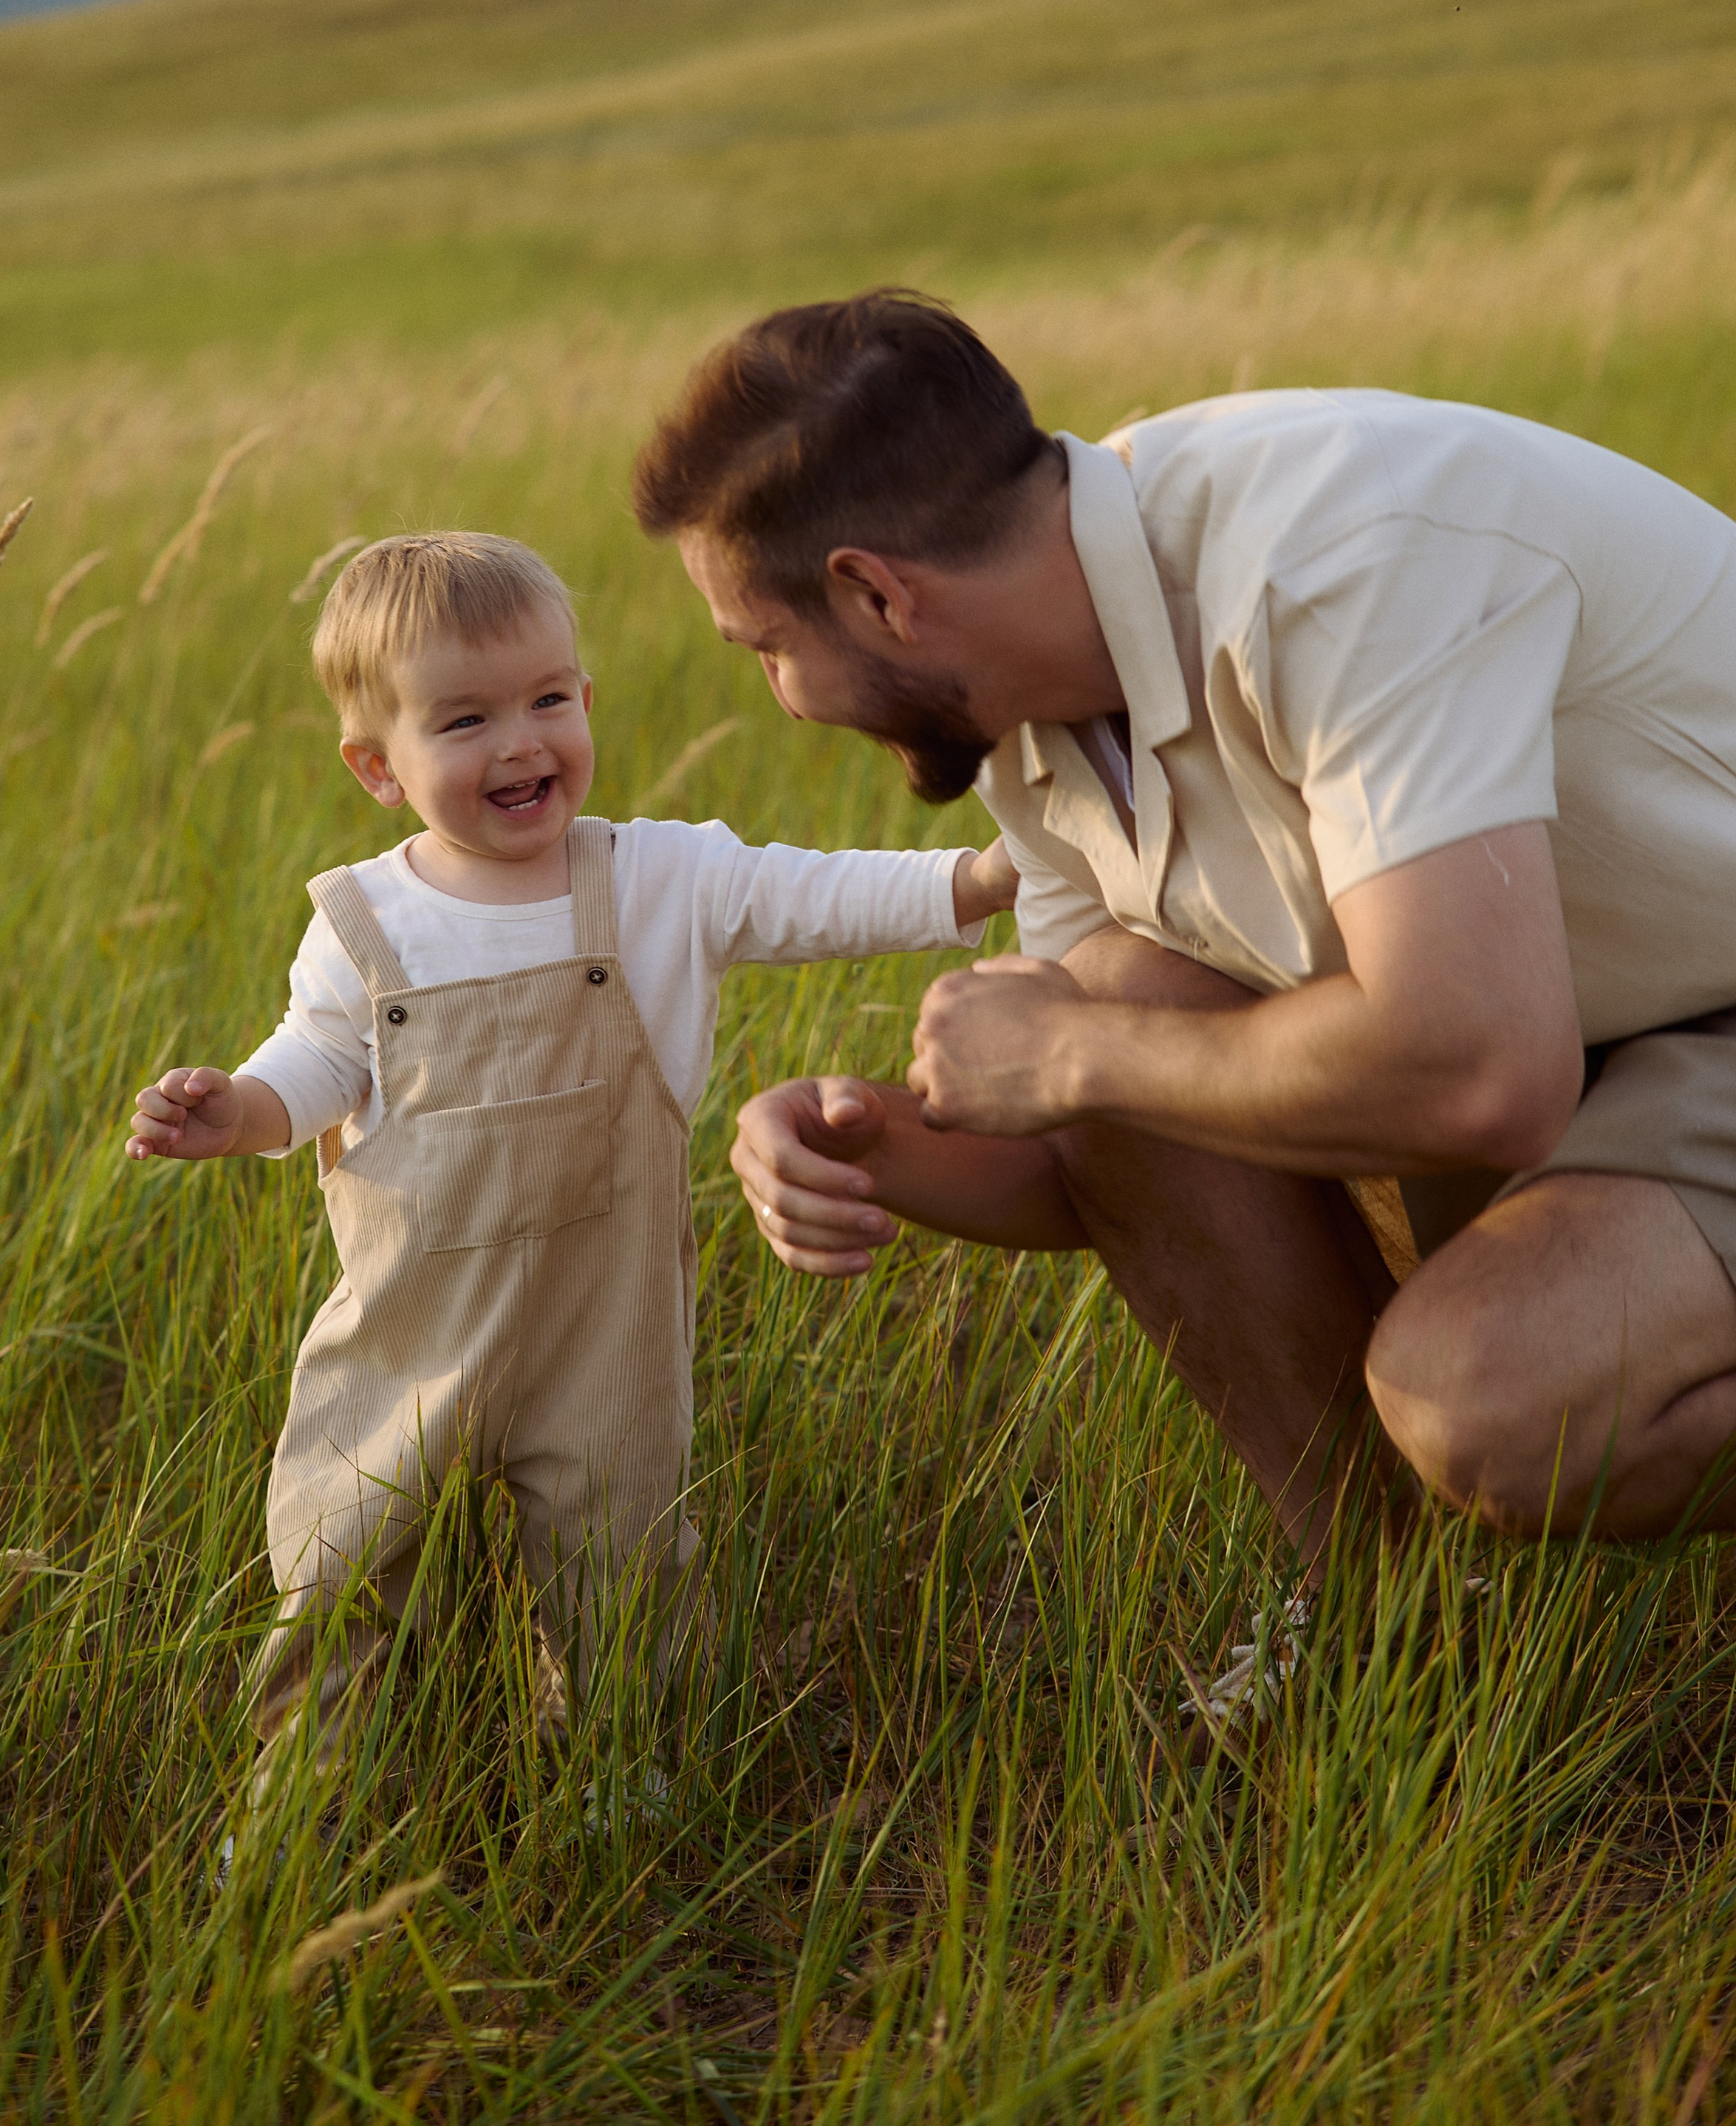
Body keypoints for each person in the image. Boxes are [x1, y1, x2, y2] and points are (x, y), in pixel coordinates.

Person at [632, 290, 1736, 1648]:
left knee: (1489, 1391)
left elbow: (1486, 1070)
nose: (781, 697)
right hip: (1615, 1022)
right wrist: (871, 1145)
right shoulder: (1030, 703)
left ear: (875, 594)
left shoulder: (1339, 554)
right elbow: (1121, 1136)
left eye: (768, 649)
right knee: (1127, 1000)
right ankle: (1399, 1635)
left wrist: (1075, 1054)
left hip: (1676, 1018)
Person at [123, 529, 1015, 1797]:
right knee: (347, 1550)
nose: (521, 742)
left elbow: (815, 895)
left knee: (625, 1554)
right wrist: (245, 1110)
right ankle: (306, 1807)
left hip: (606, 1312)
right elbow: (320, 1061)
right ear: (379, 767)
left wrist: (977, 880)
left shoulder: (659, 877)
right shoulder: (367, 922)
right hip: (412, 1323)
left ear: (587, 701)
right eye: (466, 720)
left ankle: (624, 1782)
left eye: (548, 699)